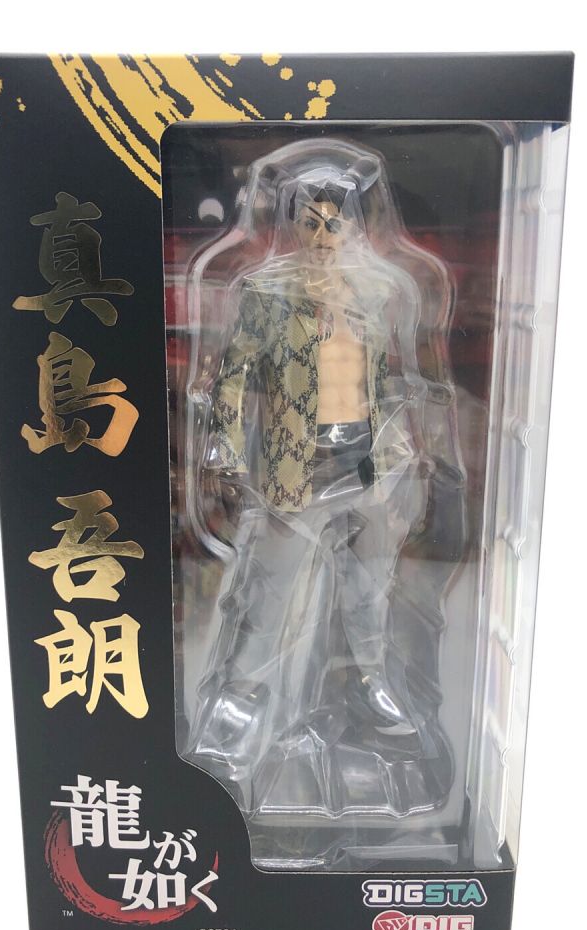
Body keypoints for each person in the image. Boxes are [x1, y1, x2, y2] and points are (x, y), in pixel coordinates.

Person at [184, 167, 454, 819]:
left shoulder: (378, 291)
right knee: (269, 597)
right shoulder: (267, 293)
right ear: (294, 226)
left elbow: (390, 381)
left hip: (364, 465)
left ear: (355, 224)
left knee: (368, 591)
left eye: (336, 221)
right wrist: (223, 449)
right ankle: (236, 715)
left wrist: (407, 454)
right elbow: (232, 377)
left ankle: (369, 685)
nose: (325, 233)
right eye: (311, 221)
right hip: (293, 471)